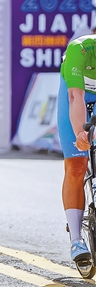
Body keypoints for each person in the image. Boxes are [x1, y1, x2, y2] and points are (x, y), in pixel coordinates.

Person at [58, 34, 96, 266]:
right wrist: (81, 133)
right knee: (76, 166)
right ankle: (76, 240)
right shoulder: (80, 48)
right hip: (75, 93)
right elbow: (75, 96)